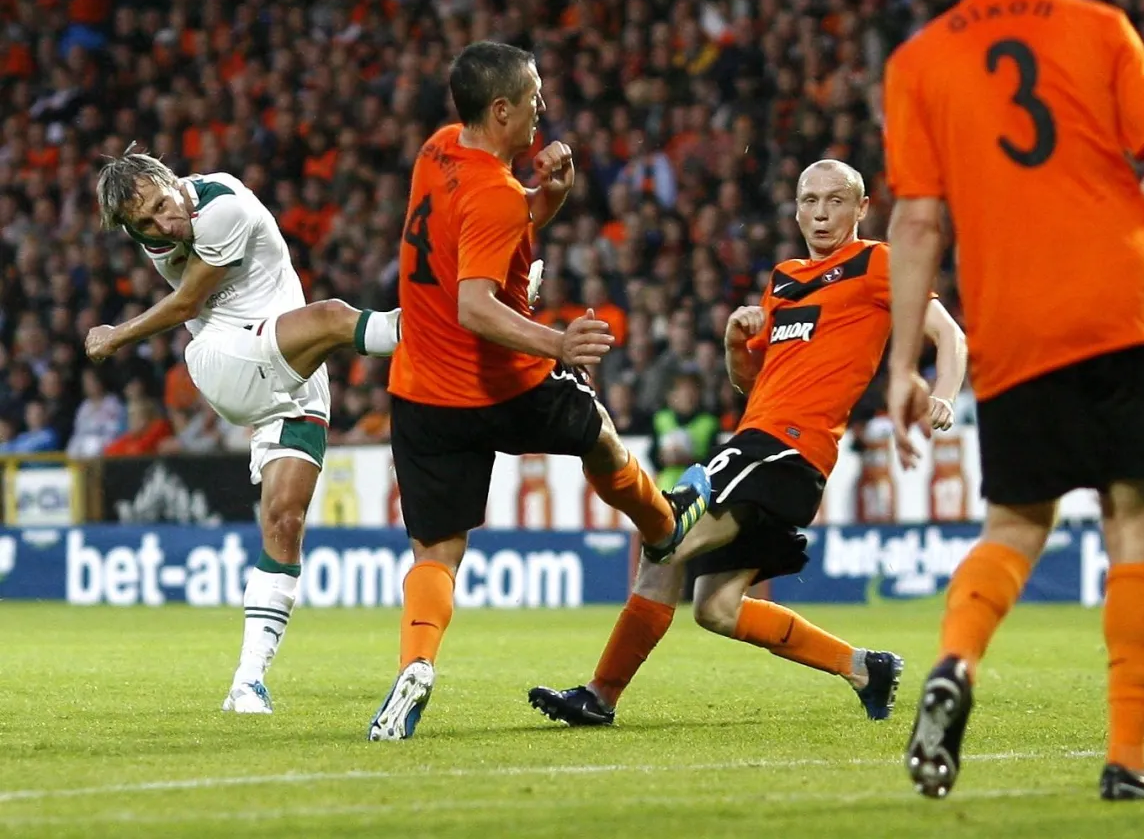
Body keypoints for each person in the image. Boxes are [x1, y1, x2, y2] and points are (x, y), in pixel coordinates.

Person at [882, 0, 1144, 802]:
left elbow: (917, 223)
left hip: (1015, 323)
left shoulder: (917, 62)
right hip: (1122, 308)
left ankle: (954, 663)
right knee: (1132, 516)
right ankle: (1128, 760)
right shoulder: (1100, 27)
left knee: (1017, 521)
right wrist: (1121, 228)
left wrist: (902, 364)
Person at [527, 159, 967, 728]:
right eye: (809, 201)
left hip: (785, 448)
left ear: (861, 208)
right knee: (716, 608)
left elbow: (949, 333)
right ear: (796, 210)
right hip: (762, 444)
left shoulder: (877, 262)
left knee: (665, 539)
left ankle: (600, 696)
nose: (821, 213)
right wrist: (736, 344)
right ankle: (864, 668)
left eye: (835, 201)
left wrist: (945, 393)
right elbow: (752, 385)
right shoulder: (784, 279)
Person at [368, 41, 711, 741]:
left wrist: (545, 196)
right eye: (533, 97)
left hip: (424, 391)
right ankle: (663, 525)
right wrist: (558, 343)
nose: (542, 108)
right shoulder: (494, 193)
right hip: (502, 382)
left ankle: (416, 664)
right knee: (599, 435)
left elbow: (492, 228)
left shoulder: (437, 150)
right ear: (501, 109)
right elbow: (475, 304)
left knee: (436, 553)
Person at [87, 148, 402, 714]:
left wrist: (116, 333)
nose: (163, 225)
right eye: (146, 222)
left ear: (172, 179)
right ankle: (458, 325)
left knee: (284, 521)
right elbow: (190, 306)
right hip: (223, 358)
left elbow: (186, 298)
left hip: (289, 374)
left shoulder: (223, 205)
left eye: (161, 206)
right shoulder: (157, 234)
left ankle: (247, 682)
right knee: (333, 316)